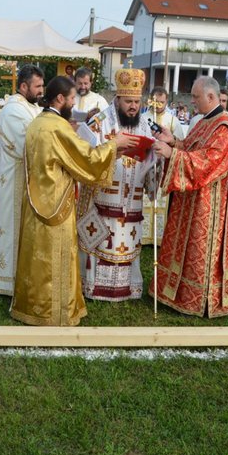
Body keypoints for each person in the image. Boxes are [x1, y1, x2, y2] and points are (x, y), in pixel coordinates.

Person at [11, 76, 136, 326]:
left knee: (36, 257)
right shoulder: (57, 128)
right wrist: (114, 145)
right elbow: (86, 159)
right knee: (54, 257)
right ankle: (54, 312)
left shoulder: (39, 122)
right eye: (70, 99)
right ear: (60, 98)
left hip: (37, 201)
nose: (73, 104)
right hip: (56, 204)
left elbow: (72, 158)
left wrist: (112, 152)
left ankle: (30, 306)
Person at [150, 76, 228, 317]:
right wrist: (173, 142)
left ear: (211, 97)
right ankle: (175, 291)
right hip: (191, 198)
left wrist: (171, 154)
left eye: (195, 97)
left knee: (198, 251)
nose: (192, 101)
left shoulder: (224, 127)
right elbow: (192, 149)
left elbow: (209, 162)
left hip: (209, 204)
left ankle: (197, 299)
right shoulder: (203, 121)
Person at [77, 66, 155, 301]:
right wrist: (113, 151)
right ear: (118, 98)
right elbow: (86, 157)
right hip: (104, 199)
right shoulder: (99, 122)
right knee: (102, 242)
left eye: (137, 102)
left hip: (132, 200)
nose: (133, 106)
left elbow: (151, 162)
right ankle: (94, 287)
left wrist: (155, 158)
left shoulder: (144, 125)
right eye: (128, 101)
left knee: (127, 241)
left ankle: (127, 288)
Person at [0, 65, 44, 296]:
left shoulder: (33, 107)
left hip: (29, 179)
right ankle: (7, 282)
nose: (41, 90)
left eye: (42, 85)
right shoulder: (12, 110)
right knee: (11, 228)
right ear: (23, 86)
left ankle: (24, 278)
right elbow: (27, 144)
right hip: (14, 181)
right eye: (37, 86)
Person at [140, 86, 182, 247]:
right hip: (146, 163)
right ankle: (144, 235)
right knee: (145, 197)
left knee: (162, 199)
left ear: (166, 102)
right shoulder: (143, 118)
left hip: (165, 167)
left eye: (162, 102)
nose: (158, 105)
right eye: (155, 102)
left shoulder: (173, 120)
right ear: (150, 100)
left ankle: (159, 236)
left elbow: (180, 143)